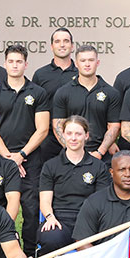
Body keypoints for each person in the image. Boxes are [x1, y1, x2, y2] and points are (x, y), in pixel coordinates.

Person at [37, 116, 111, 258]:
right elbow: (45, 201)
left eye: (78, 133)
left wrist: (90, 226)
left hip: (88, 222)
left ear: (86, 136)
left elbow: (100, 203)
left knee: (94, 245)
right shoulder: (51, 166)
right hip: (59, 220)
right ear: (63, 135)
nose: (73, 138)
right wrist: (50, 217)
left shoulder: (98, 167)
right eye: (69, 133)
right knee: (51, 242)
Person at [0, 44, 49, 258]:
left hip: (30, 160)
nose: (14, 65)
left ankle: (30, 253)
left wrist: (21, 156)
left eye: (19, 61)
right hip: (0, 159)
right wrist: (9, 158)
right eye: (11, 61)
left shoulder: (38, 92)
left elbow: (43, 129)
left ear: (26, 64)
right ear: (5, 63)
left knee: (30, 210)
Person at [51, 44, 121, 161]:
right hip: (70, 157)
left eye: (91, 60)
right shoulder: (63, 92)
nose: (87, 64)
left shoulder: (111, 92)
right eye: (83, 60)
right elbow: (57, 125)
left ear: (97, 62)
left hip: (101, 157)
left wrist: (100, 152)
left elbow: (114, 127)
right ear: (76, 64)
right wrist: (74, 151)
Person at [31, 28, 78, 164]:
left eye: (66, 41)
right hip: (48, 139)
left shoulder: (81, 74)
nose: (62, 45)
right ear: (52, 47)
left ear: (72, 46)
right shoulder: (40, 75)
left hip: (76, 137)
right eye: (57, 41)